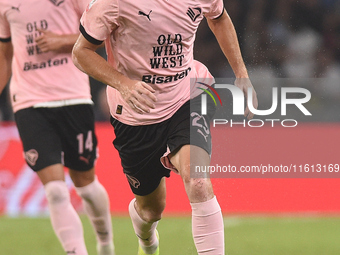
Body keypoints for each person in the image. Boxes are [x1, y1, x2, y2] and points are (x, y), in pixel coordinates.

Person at [72, 0, 258, 254]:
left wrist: (241, 73)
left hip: (190, 93)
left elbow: (219, 18)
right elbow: (81, 52)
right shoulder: (113, 3)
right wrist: (123, 84)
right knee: (151, 210)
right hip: (137, 114)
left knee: (198, 181)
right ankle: (148, 241)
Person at [0, 0, 114, 254]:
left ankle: (105, 243)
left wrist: (61, 41)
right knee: (54, 191)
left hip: (73, 98)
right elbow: (5, 56)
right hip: (30, 103)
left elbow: (105, 32)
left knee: (85, 184)